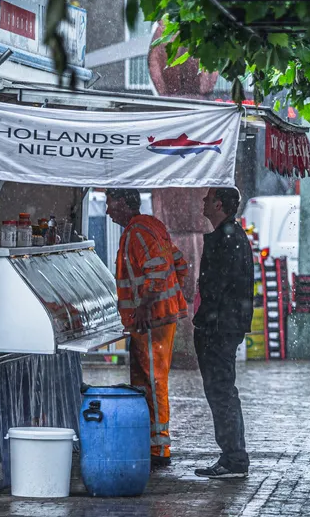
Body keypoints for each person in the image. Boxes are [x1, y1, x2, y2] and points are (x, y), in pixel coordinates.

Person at [106, 189, 189, 469]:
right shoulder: (151, 226)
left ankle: (159, 447)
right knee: (145, 381)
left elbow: (158, 270)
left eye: (110, 203)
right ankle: (150, 442)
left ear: (124, 203)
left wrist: (145, 307)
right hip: (155, 319)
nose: (107, 211)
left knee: (153, 382)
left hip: (151, 320)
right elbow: (179, 264)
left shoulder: (137, 232)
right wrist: (172, 297)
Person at [193, 187, 253, 479]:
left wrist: (206, 322)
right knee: (223, 390)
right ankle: (233, 456)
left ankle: (234, 458)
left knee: (221, 391)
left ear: (219, 205)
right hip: (224, 326)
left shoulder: (226, 239)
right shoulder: (232, 236)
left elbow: (217, 287)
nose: (203, 202)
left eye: (208, 199)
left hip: (219, 328)